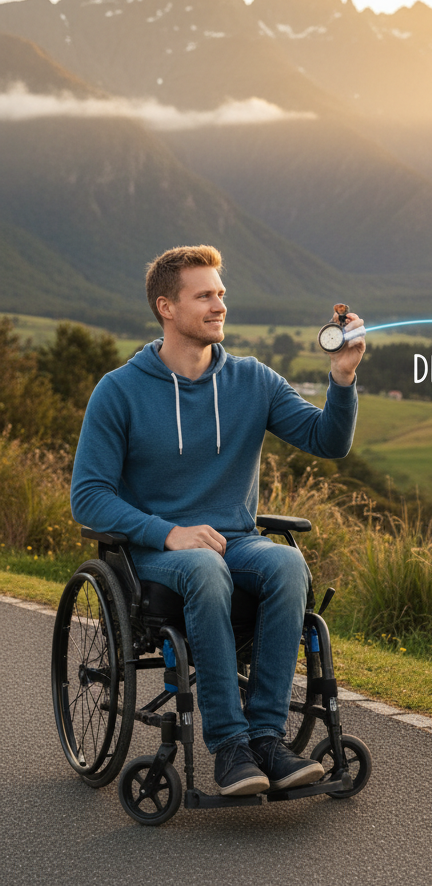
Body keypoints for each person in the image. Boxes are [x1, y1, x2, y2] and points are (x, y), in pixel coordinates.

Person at [71, 245, 365, 796]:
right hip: (155, 555)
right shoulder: (119, 391)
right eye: (204, 295)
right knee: (204, 566)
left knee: (286, 563)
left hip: (236, 542)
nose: (219, 305)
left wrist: (342, 378)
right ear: (166, 307)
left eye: (221, 293)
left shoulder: (254, 380)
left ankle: (266, 739)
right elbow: (88, 497)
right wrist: (168, 533)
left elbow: (327, 441)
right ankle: (229, 746)